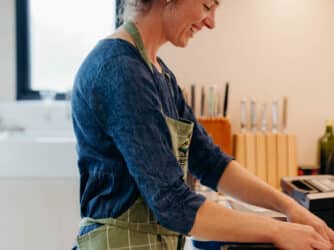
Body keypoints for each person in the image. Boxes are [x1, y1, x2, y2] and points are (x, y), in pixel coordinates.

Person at [71, 0, 334, 249]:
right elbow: (173, 203)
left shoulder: (157, 73)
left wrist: (291, 208)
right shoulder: (120, 71)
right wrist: (278, 231)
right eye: (207, 5)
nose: (211, 23)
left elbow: (210, 162)